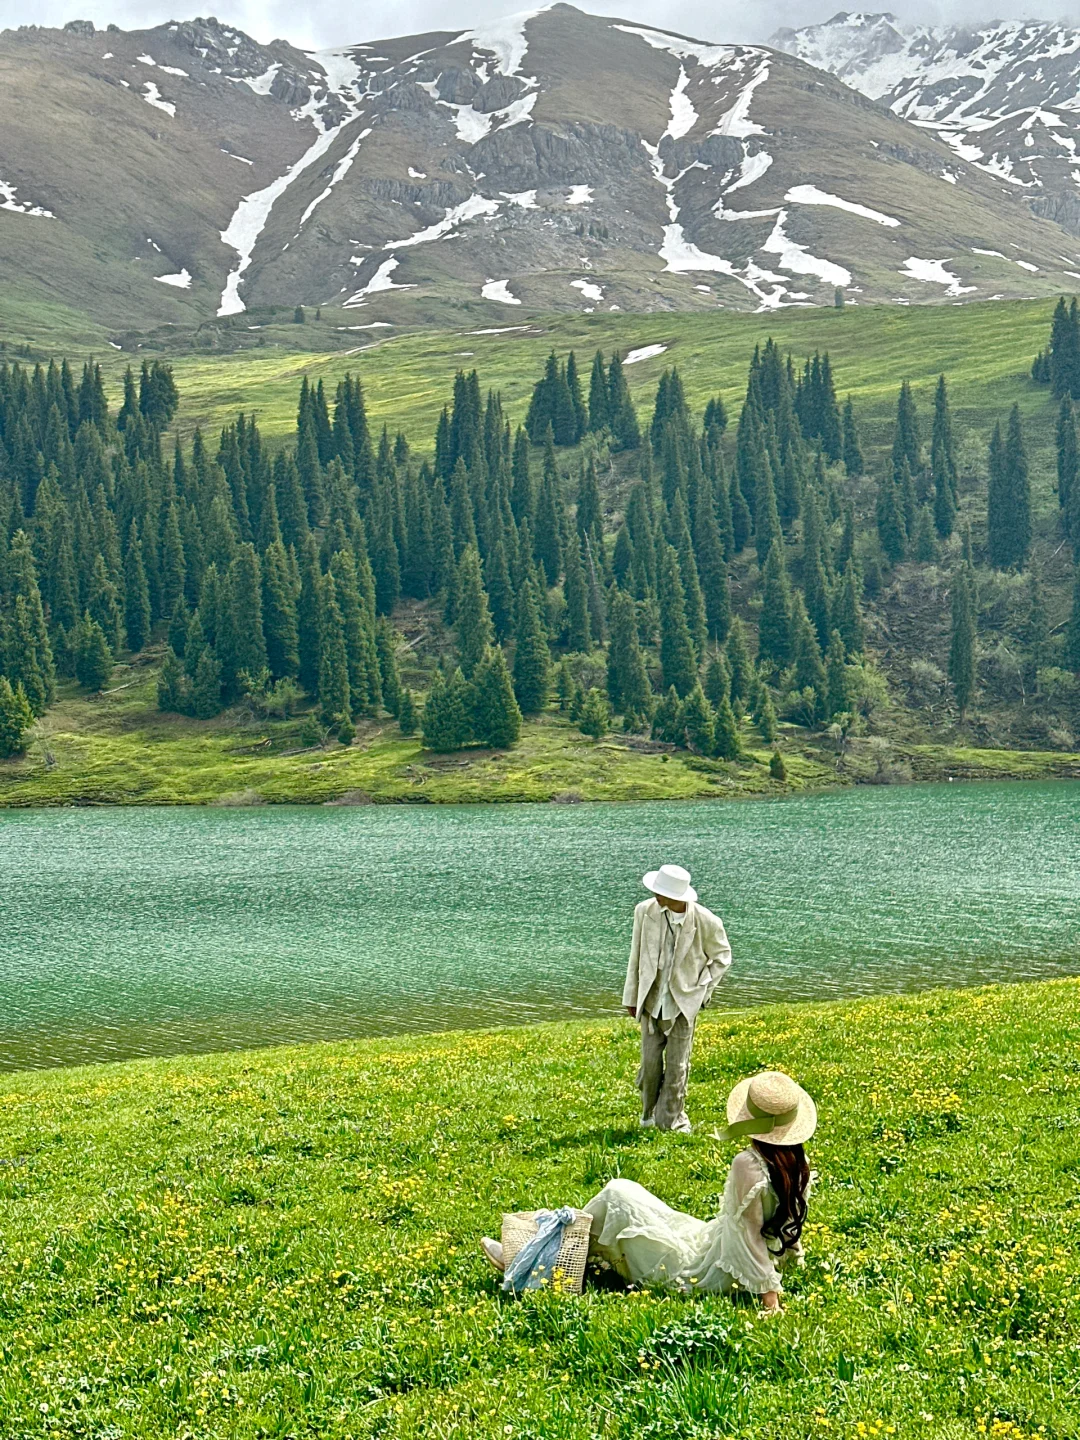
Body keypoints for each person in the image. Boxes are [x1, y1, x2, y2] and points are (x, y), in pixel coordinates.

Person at [481, 1071, 816, 1313]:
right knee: (623, 1195)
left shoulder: (748, 1165)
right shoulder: (798, 1164)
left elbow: (749, 1236)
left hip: (710, 1271)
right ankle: (555, 1249)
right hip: (714, 1246)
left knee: (616, 1194)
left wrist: (770, 1297)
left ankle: (532, 1259)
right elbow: (787, 1222)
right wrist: (790, 1258)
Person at [622, 863, 731, 1133]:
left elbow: (722, 957)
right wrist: (632, 997)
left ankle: (670, 1119)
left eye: (661, 892)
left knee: (677, 1065)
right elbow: (635, 956)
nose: (655, 895)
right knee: (649, 1062)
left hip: (684, 1003)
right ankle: (647, 1114)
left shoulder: (706, 921)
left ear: (676, 896)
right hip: (651, 1000)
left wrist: (702, 990)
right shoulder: (644, 911)